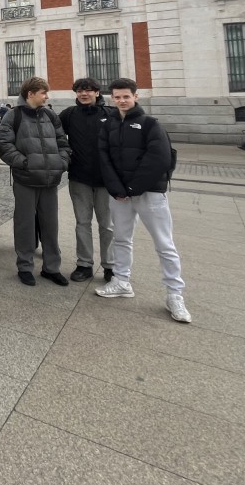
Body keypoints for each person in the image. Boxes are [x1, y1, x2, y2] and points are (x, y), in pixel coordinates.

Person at [96, 77, 190, 324]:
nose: (121, 101)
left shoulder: (150, 124)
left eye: (126, 96)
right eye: (117, 97)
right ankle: (121, 280)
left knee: (164, 243)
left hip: (149, 193)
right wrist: (117, 187)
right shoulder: (108, 124)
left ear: (135, 96)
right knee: (121, 238)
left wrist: (131, 187)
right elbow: (103, 157)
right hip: (120, 195)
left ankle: (175, 295)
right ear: (112, 99)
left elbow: (159, 159)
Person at [0, 76, 70, 287]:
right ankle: (25, 266)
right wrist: (25, 163)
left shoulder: (50, 115)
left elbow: (62, 142)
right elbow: (5, 146)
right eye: (43, 93)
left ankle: (51, 267)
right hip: (26, 180)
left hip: (50, 181)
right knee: (25, 225)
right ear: (31, 94)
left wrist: (62, 162)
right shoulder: (13, 116)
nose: (46, 96)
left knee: (51, 225)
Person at [59, 78, 114, 283]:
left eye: (88, 90)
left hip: (105, 180)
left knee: (107, 225)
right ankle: (84, 263)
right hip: (79, 177)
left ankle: (110, 265)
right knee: (82, 223)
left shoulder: (110, 114)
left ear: (97, 93)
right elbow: (53, 134)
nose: (84, 94)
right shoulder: (69, 115)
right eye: (80, 91)